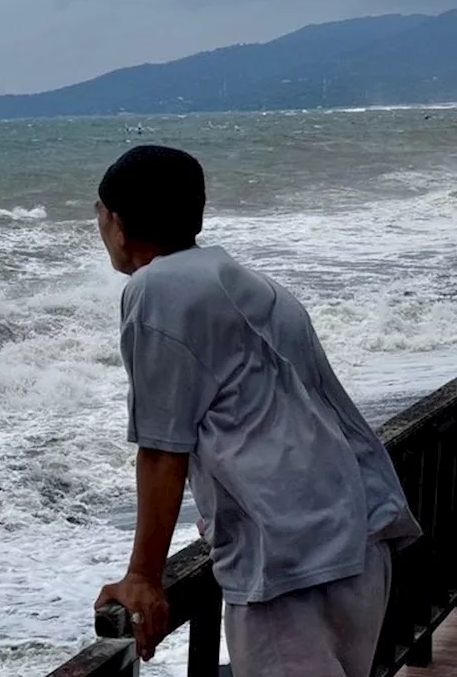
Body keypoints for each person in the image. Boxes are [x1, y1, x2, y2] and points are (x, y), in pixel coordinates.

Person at [91, 145, 422, 676]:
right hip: (354, 539)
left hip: (288, 563)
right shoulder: (239, 279)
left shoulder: (157, 288)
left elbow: (161, 448)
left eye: (99, 215)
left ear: (118, 223)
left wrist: (143, 577)